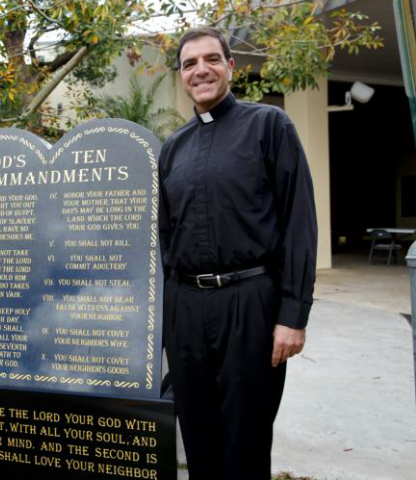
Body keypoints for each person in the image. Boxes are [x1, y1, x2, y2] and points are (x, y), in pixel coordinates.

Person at [159, 27, 318, 479]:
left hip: (251, 302)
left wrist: (293, 314)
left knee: (245, 439)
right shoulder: (173, 148)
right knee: (197, 433)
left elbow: (299, 223)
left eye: (211, 59)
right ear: (181, 76)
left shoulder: (269, 126)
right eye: (189, 64)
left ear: (231, 67)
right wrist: (172, 314)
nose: (200, 70)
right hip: (187, 309)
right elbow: (166, 235)